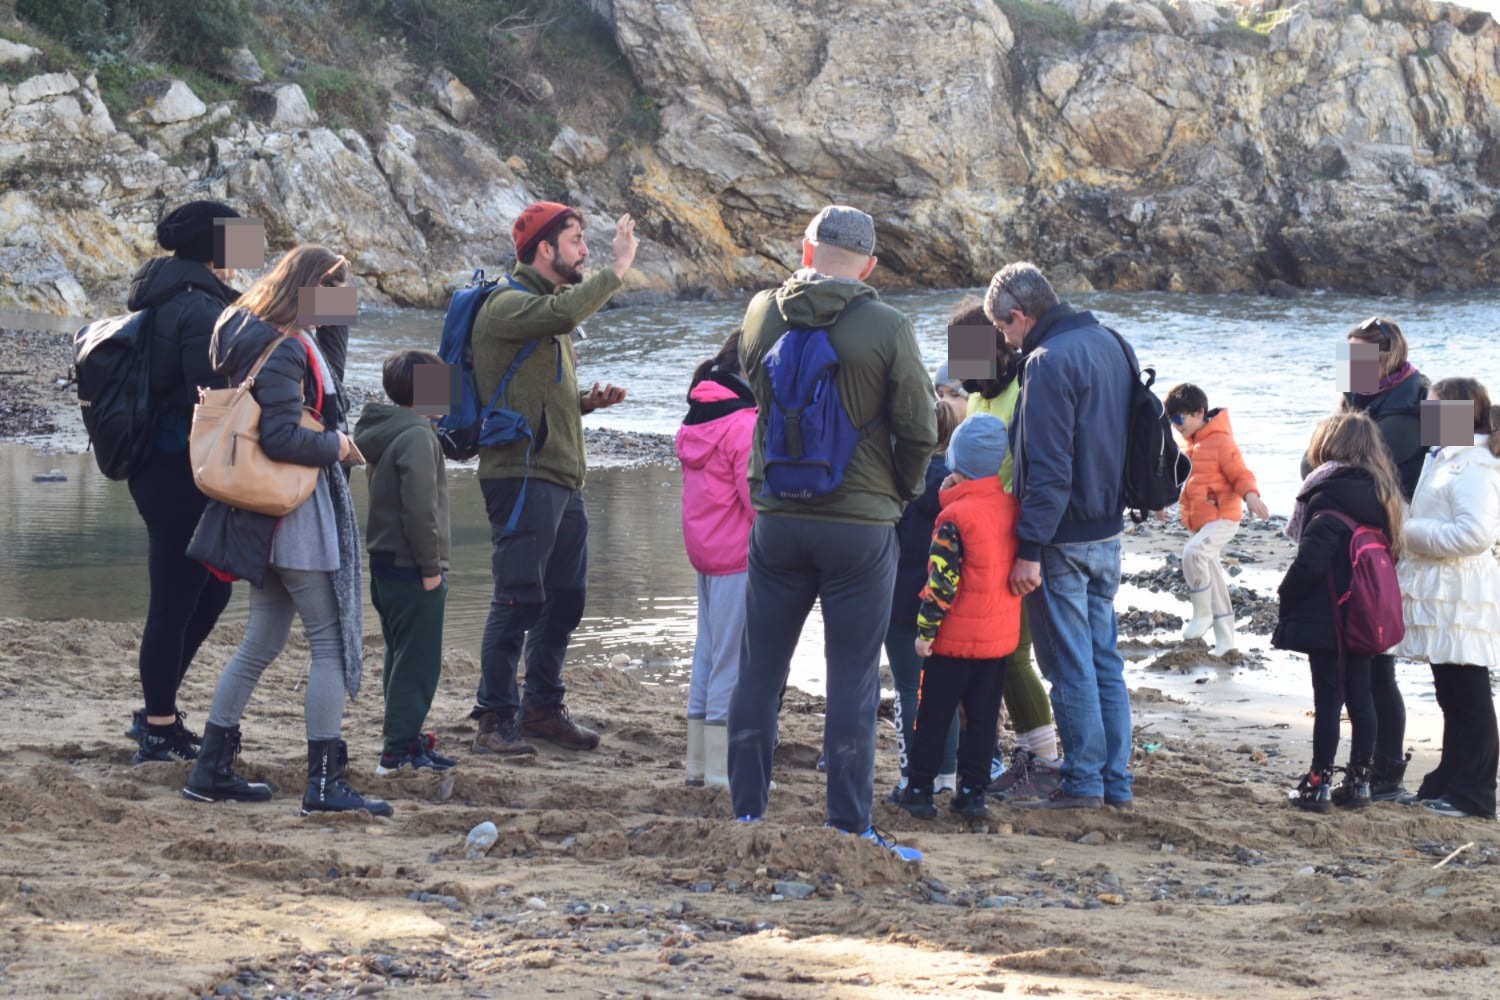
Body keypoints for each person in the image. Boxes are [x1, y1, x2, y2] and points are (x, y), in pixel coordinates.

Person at [727, 205, 936, 859]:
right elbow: (920, 428)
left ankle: (747, 814)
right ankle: (848, 825)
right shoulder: (888, 326)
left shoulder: (760, 313)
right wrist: (901, 490)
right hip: (859, 524)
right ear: (869, 266)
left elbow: (757, 395)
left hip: (778, 517)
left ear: (806, 249)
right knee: (852, 676)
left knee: (759, 669)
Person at [183, 245, 390, 818]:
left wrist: (335, 319)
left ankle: (209, 770)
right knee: (329, 645)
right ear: (309, 288)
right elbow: (281, 436)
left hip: (269, 519)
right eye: (336, 288)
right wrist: (337, 447)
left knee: (261, 642)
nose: (343, 299)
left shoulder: (267, 335)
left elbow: (330, 391)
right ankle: (323, 784)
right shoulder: (285, 348)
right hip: (296, 515)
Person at [469, 203, 636, 756]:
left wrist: (584, 403)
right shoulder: (508, 304)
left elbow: (534, 393)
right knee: (516, 599)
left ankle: (541, 708)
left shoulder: (542, 311)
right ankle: (494, 719)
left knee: (564, 600)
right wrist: (619, 266)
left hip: (561, 477)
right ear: (545, 249)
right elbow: (565, 313)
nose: (585, 250)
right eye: (576, 240)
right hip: (521, 477)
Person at [985, 262, 1135, 811]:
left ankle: (1083, 781)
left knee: (1069, 665)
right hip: (1108, 528)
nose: (1005, 342)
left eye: (1002, 329)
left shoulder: (1046, 362)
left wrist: (1028, 549)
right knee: (1104, 661)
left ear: (1020, 315)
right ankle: (1114, 781)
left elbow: (1048, 470)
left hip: (1061, 537)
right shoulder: (1112, 342)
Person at [122, 200, 243, 764]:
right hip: (177, 470)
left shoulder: (173, 293)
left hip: (166, 466)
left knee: (211, 591)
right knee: (174, 601)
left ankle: (158, 710)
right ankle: (157, 729)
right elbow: (212, 394)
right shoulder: (198, 307)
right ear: (215, 246)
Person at [1303, 315, 1427, 801]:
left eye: (1359, 354)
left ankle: (1388, 771)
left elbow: (1457, 464)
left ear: (1387, 356)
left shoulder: (1424, 398)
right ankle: (1376, 769)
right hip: (1362, 535)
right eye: (1348, 353)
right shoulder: (1355, 396)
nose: (1349, 363)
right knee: (1370, 663)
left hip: (1389, 541)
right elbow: (1319, 459)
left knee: (1379, 665)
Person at [947, 296, 1060, 801]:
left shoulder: (1025, 391)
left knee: (1014, 654)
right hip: (981, 542)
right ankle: (1019, 754)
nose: (962, 375)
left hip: (1021, 542)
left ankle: (1045, 758)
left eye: (969, 359)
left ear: (998, 349)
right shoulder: (977, 400)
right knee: (993, 656)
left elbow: (1040, 473)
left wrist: (1028, 546)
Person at [891, 413, 1022, 822]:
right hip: (997, 640)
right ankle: (972, 794)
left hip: (953, 641)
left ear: (955, 462)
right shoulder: (1011, 507)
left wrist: (925, 631)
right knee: (982, 721)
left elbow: (941, 581)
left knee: (933, 716)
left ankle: (918, 790)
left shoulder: (953, 518)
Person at [1274, 411, 1404, 812]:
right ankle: (1360, 782)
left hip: (1329, 619)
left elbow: (1309, 564)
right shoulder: (1383, 498)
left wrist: (1284, 596)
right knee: (1362, 698)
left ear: (1327, 447)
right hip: (1366, 617)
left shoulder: (1328, 499)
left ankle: (1318, 784)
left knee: (1329, 701)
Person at [1394, 378, 1500, 820]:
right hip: (1443, 592)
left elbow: (1476, 534)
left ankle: (1474, 794)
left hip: (1462, 594)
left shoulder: (1473, 463)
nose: (1425, 413)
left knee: (1469, 694)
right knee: (1451, 692)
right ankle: (1449, 780)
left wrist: (1407, 532)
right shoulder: (1445, 456)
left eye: (1434, 406)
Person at [355, 350, 457, 775]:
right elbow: (419, 509)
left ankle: (404, 738)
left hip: (385, 562)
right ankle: (396, 752)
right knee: (418, 661)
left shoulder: (388, 429)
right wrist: (431, 568)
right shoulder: (416, 435)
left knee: (400, 656)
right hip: (412, 565)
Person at [675, 329, 757, 788]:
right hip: (736, 556)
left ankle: (698, 763)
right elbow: (755, 500)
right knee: (732, 660)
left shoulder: (699, 414)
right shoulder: (743, 424)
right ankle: (721, 771)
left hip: (706, 552)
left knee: (707, 653)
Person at [885, 394, 962, 800]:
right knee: (941, 689)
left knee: (907, 689)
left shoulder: (900, 481)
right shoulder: (958, 487)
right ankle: (947, 775)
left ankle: (911, 776)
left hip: (901, 599)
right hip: (946, 600)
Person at [1162, 383, 1270, 657]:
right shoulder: (1186, 444)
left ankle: (1202, 613)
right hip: (1199, 521)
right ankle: (1226, 642)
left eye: (1179, 418)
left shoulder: (1221, 441)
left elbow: (1240, 473)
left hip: (1223, 517)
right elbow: (1179, 481)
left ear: (1199, 412)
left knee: (1193, 553)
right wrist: (1161, 503)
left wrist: (1251, 496)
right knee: (1215, 581)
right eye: (1171, 420)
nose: (1176, 426)